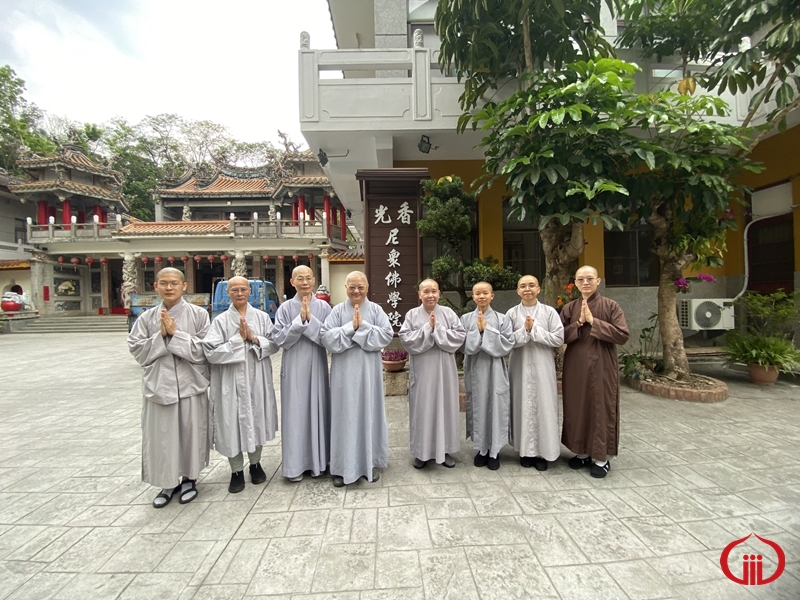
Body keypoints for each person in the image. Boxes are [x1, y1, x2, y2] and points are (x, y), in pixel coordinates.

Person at [128, 267, 210, 508]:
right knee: (163, 437)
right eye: (163, 283)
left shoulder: (198, 314)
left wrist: (175, 335)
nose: (169, 287)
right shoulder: (146, 318)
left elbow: (205, 350)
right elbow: (137, 350)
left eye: (174, 283)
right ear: (156, 287)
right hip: (159, 387)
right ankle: (167, 482)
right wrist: (161, 337)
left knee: (190, 434)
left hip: (190, 384)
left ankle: (189, 479)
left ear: (184, 286)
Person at [203, 276, 279, 493]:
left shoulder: (262, 317)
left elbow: (275, 344)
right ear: (228, 293)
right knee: (231, 424)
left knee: (257, 419)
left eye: (243, 289)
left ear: (249, 292)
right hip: (229, 380)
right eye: (234, 290)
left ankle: (255, 464)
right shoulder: (220, 321)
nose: (239, 293)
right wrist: (238, 339)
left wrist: (254, 339)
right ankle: (236, 470)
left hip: (256, 377)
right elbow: (210, 352)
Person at [321, 271, 393, 487]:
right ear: (346, 288)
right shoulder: (336, 312)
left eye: (360, 287)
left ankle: (368, 463)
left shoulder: (376, 310)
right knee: (343, 417)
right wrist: (350, 327)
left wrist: (361, 328)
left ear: (367, 287)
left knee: (368, 414)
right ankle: (341, 467)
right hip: (343, 376)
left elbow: (386, 335)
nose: (356, 291)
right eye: (352, 287)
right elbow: (326, 338)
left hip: (368, 374)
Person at [561, 265, 630, 478]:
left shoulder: (611, 306)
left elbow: (622, 335)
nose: (585, 283)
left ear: (598, 281)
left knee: (600, 407)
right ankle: (581, 451)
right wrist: (579, 323)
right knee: (577, 406)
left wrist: (593, 321)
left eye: (590, 278)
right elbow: (559, 336)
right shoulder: (569, 308)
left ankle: (601, 458)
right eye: (581, 279)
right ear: (575, 283)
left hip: (602, 365)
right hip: (576, 365)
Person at [272, 265, 332, 482]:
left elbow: (329, 338)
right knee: (295, 414)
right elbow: (279, 340)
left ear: (314, 280)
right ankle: (295, 466)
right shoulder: (285, 308)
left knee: (318, 410)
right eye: (300, 278)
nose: (305, 282)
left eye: (308, 278)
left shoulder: (324, 307)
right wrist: (299, 322)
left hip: (317, 366)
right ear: (292, 282)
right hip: (294, 367)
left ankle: (319, 463)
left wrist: (310, 320)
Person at [399, 278, 466, 469]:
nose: (430, 295)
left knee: (445, 407)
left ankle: (444, 450)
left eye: (434, 291)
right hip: (423, 371)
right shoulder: (412, 315)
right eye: (426, 291)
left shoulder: (448, 313)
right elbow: (406, 339)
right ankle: (422, 452)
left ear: (439, 293)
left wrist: (438, 329)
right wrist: (428, 328)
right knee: (423, 408)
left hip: (445, 371)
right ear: (419, 294)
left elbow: (460, 336)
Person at [506, 275, 564, 471]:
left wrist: (534, 330)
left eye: (531, 285)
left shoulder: (549, 312)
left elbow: (558, 338)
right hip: (519, 367)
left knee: (544, 406)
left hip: (543, 367)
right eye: (523, 286)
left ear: (539, 289)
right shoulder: (512, 314)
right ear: (517, 291)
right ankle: (525, 451)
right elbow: (506, 341)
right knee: (521, 405)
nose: (527, 289)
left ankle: (542, 452)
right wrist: (524, 331)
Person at [461, 281, 514, 470]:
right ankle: (482, 449)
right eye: (477, 293)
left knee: (496, 405)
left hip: (495, 369)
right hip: (475, 367)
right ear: (473, 296)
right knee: (479, 405)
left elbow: (508, 344)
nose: (481, 296)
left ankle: (494, 451)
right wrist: (477, 332)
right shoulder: (465, 319)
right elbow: (462, 345)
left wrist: (486, 330)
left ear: (492, 296)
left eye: (485, 293)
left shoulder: (502, 318)